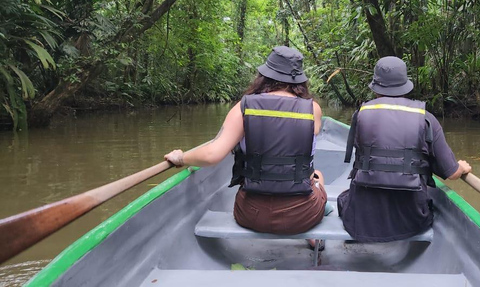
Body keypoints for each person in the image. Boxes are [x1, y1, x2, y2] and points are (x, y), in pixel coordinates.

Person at [164, 46, 327, 235]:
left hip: (251, 214)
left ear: (265, 76)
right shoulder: (313, 109)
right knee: (317, 175)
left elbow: (211, 154)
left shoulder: (245, 106)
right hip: (301, 217)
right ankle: (315, 238)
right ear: (299, 80)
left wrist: (182, 157)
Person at [338, 56, 472, 242]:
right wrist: (463, 168)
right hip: (413, 221)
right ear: (405, 86)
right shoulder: (426, 119)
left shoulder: (360, 115)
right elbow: (452, 173)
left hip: (362, 221)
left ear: (376, 88)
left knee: (343, 198)